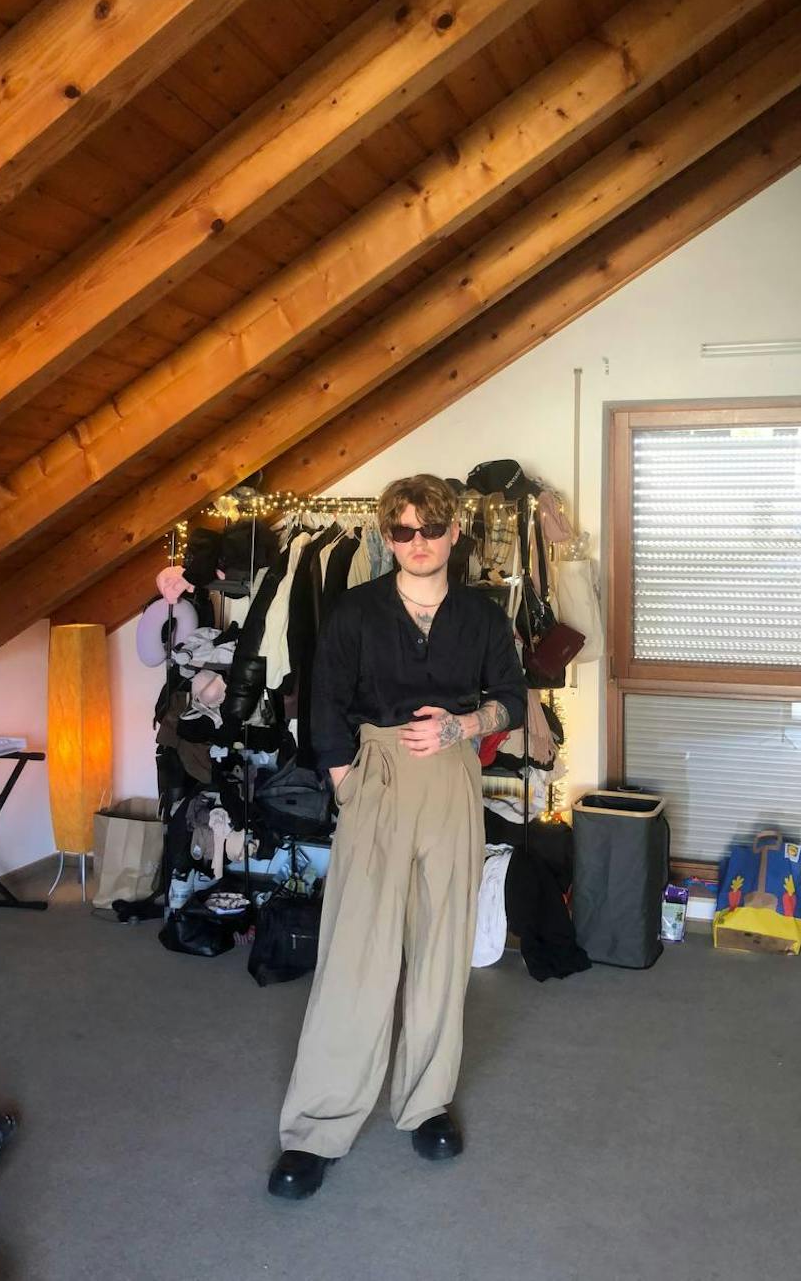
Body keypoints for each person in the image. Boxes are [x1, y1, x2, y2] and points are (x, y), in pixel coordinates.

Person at [269, 473, 526, 1200]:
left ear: (453, 535)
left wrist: (465, 725)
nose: (418, 542)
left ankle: (426, 1102)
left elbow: (511, 699)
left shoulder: (481, 616)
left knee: (441, 944)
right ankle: (317, 1125)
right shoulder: (354, 612)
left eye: (431, 529)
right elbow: (324, 703)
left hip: (449, 778)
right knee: (358, 950)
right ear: (388, 536)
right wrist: (347, 782)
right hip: (375, 776)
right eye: (405, 530)